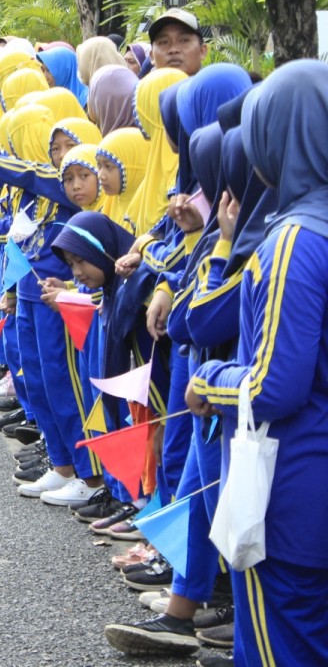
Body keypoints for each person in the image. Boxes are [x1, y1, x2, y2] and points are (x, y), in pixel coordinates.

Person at [187, 61, 328, 667]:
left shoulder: (294, 238)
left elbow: (273, 386)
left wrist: (209, 380)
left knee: (281, 646)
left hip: (295, 487)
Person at [147, 8, 206, 77]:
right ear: (152, 56)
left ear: (202, 51)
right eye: (164, 42)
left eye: (184, 40)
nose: (173, 50)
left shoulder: (215, 83)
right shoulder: (142, 84)